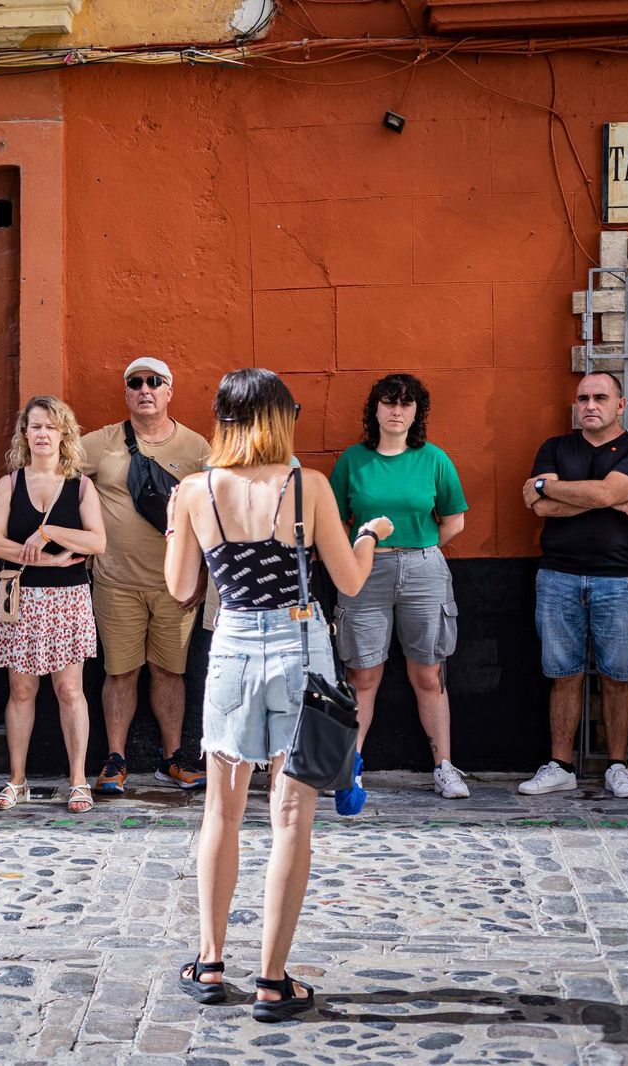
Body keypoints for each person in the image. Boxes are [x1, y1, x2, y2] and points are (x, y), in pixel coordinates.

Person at [165, 368, 391, 1021]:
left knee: (221, 814)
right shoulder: (307, 486)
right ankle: (271, 980)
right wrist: (370, 537)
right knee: (291, 819)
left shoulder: (194, 490)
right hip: (297, 648)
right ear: (276, 419)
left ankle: (209, 963)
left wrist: (179, 529)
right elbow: (348, 582)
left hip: (232, 646)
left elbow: (181, 587)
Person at [329, 374, 470, 807]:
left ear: (417, 413)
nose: (397, 411)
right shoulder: (353, 461)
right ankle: (348, 769)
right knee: (362, 675)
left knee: (428, 673)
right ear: (374, 410)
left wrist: (419, 553)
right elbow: (333, 522)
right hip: (364, 572)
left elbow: (453, 520)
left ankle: (444, 767)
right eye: (389, 403)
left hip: (424, 568)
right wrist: (364, 556)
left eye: (406, 405)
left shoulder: (433, 459)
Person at [519, 371, 628, 800]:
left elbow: (570, 494)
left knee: (617, 675)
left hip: (618, 579)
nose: (590, 405)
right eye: (583, 398)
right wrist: (607, 497)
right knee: (564, 675)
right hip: (557, 575)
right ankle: (561, 765)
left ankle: (618, 765)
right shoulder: (555, 447)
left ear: (621, 404)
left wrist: (554, 486)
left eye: (600, 397)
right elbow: (537, 505)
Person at [79, 358, 212, 794]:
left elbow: (215, 516)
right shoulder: (101, 443)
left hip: (177, 585)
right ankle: (115, 758)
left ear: (170, 390)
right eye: (135, 383)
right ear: (126, 393)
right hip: (115, 582)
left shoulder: (197, 449)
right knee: (120, 673)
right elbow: (53, 471)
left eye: (155, 382)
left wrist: (203, 576)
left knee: (170, 672)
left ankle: (173, 758)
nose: (145, 389)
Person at [0, 396, 106, 814]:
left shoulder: (80, 486)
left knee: (69, 689)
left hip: (69, 598)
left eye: (50, 427)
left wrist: (49, 530)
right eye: (35, 426)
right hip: (19, 598)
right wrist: (48, 555)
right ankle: (17, 781)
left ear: (63, 434)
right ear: (25, 434)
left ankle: (78, 781)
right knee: (21, 690)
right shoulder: (9, 484)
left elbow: (98, 541)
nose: (42, 434)